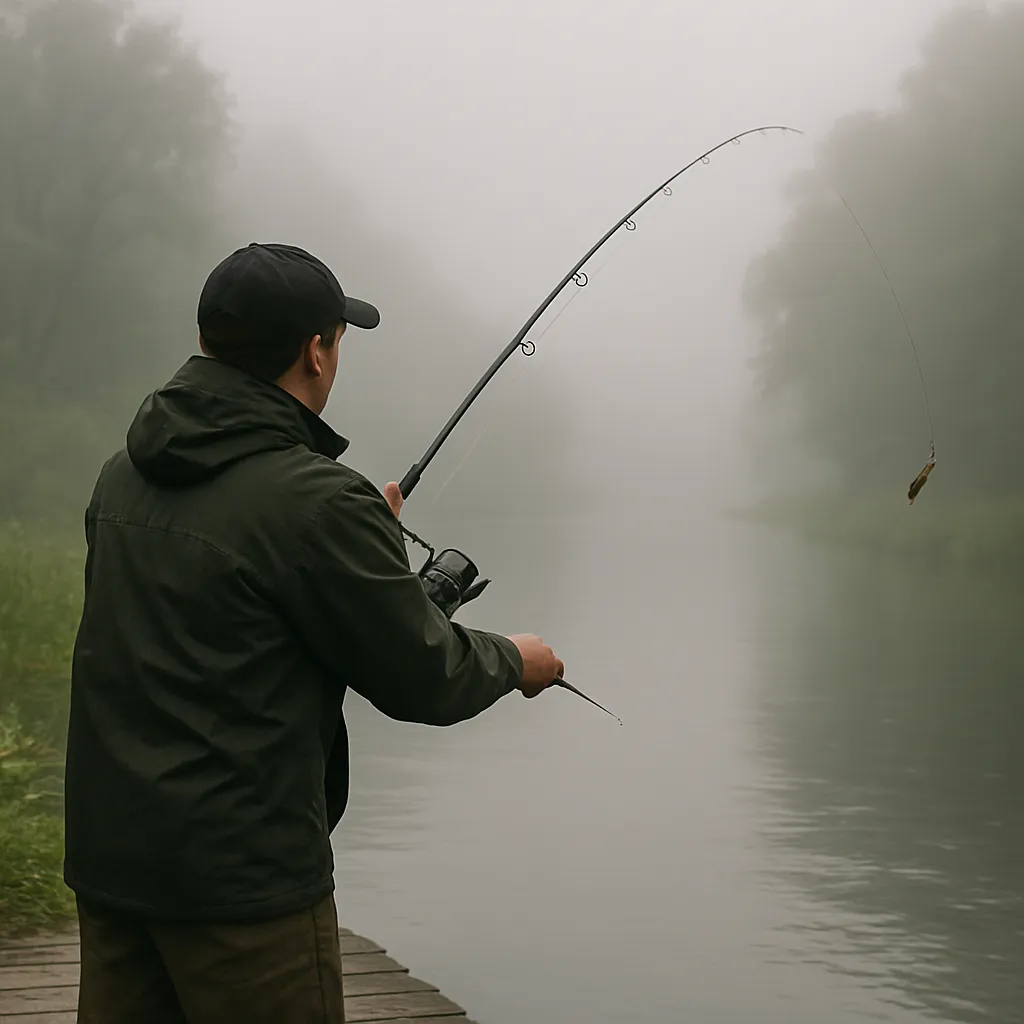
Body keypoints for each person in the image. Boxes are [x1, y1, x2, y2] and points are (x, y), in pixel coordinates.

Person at [63, 242, 565, 1024]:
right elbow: (423, 677)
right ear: (315, 352)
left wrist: (366, 541)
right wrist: (517, 660)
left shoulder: (120, 474)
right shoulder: (319, 504)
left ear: (207, 341)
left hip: (112, 865)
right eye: (338, 339)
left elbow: (216, 617)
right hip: (244, 886)